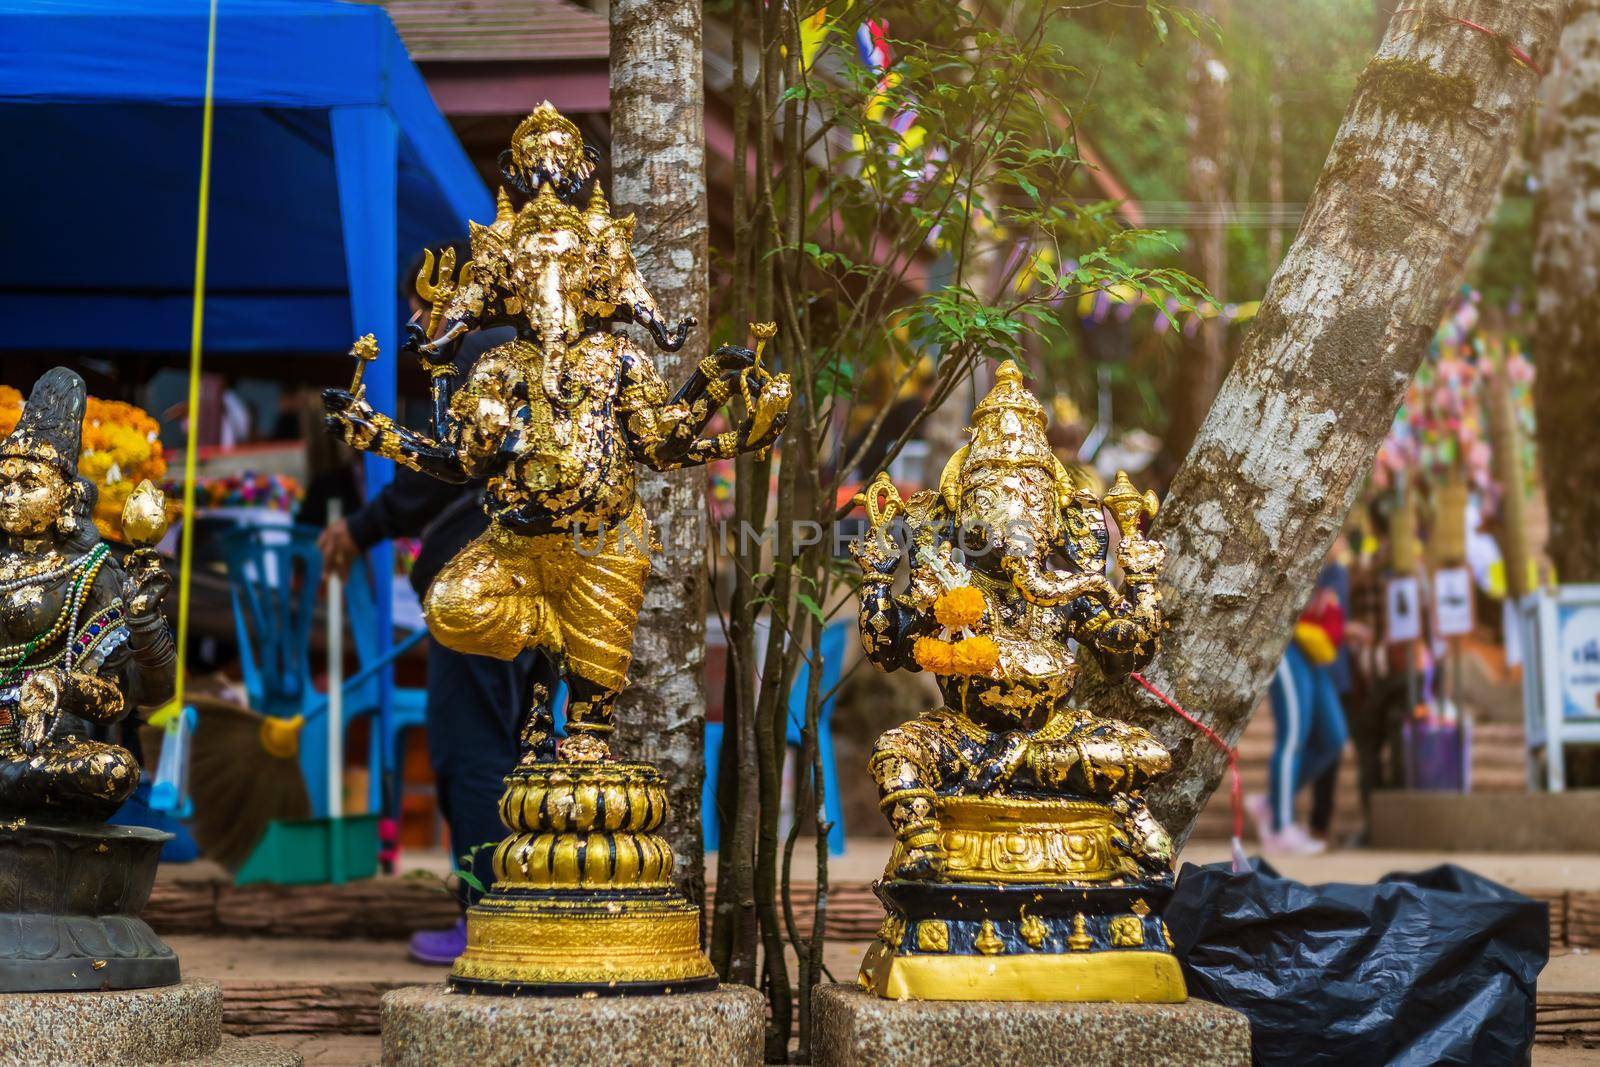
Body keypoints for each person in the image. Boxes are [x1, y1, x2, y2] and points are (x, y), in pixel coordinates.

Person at [318, 264, 556, 965]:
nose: (416, 325)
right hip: (544, 578)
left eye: (422, 303)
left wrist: (362, 526)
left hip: (484, 584)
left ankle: (488, 919)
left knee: (471, 750)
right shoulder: (540, 353)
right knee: (527, 745)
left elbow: (437, 469)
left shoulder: (483, 357)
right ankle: (534, 910)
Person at [1249, 552, 1351, 855]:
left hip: (1315, 649)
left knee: (1333, 738)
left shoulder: (1336, 566)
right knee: (1293, 735)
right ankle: (1280, 827)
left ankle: (1270, 803)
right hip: (1287, 643)